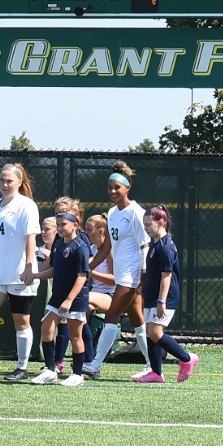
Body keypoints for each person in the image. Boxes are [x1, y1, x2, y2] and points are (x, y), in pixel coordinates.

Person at [87, 161, 148, 379]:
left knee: (112, 315)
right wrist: (88, 268)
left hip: (131, 275)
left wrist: (143, 274)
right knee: (138, 320)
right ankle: (155, 364)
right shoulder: (112, 213)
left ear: (127, 188)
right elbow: (107, 248)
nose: (113, 191)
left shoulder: (136, 212)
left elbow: (145, 245)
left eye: (117, 188)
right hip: (122, 272)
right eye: (110, 188)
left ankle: (94, 364)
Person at [0, 162, 42, 381]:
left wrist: (29, 267)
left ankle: (22, 367)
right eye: (2, 180)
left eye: (9, 180)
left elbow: (31, 237)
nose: (5, 184)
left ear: (19, 182)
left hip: (19, 273)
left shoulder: (26, 205)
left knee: (22, 322)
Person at [134, 206, 198, 383]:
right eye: (144, 224)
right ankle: (156, 372)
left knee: (155, 332)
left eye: (149, 224)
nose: (146, 228)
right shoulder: (155, 244)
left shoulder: (165, 247)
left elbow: (166, 276)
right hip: (152, 295)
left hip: (165, 297)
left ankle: (186, 359)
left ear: (161, 222)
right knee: (149, 332)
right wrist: (143, 285)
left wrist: (162, 301)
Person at [36, 199, 92, 386]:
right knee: (46, 328)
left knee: (76, 335)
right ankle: (51, 370)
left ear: (75, 224)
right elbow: (55, 269)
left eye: (63, 224)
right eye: (57, 225)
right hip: (58, 295)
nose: (59, 228)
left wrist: (69, 299)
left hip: (75, 299)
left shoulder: (80, 246)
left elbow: (82, 276)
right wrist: (36, 275)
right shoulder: (59, 244)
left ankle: (77, 374)